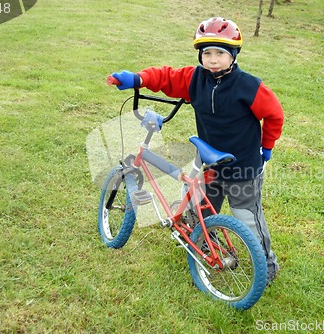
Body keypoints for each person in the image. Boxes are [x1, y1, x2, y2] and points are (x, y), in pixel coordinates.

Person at [110, 17, 284, 284]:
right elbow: (166, 77)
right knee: (200, 207)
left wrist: (267, 146)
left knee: (246, 217)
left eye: (221, 54)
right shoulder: (194, 79)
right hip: (210, 162)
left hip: (243, 166)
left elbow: (274, 115)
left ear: (233, 56)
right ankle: (206, 245)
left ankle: (267, 263)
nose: (213, 60)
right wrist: (138, 78)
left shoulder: (249, 87)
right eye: (207, 53)